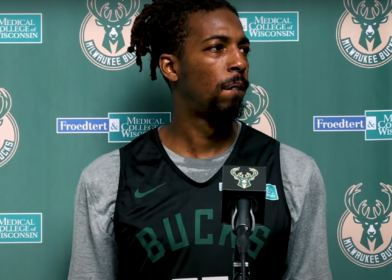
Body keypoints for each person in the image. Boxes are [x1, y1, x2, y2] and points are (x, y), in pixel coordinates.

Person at [68, 0, 332, 279]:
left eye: (243, 49)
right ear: (170, 66)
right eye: (217, 48)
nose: (240, 62)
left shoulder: (294, 173)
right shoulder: (108, 179)